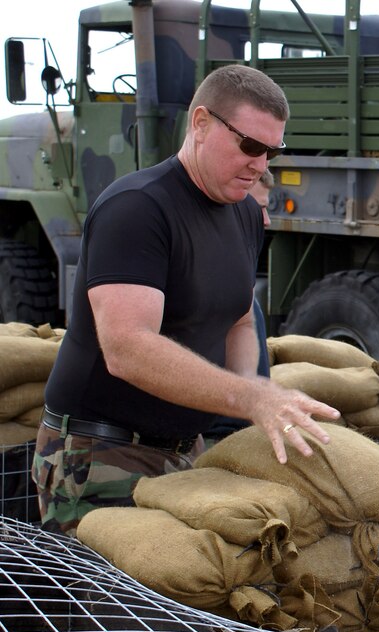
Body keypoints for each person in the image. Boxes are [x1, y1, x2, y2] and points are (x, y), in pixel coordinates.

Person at [34, 65, 339, 534]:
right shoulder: (137, 208)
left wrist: (249, 397)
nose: (261, 164)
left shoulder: (242, 214)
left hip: (181, 450)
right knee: (112, 605)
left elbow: (238, 319)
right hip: (99, 453)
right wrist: (249, 395)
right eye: (250, 146)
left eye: (272, 151)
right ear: (201, 124)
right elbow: (127, 348)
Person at [204, 170, 276, 443]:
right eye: (260, 209)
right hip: (217, 435)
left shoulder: (235, 281)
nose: (267, 220)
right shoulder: (208, 283)